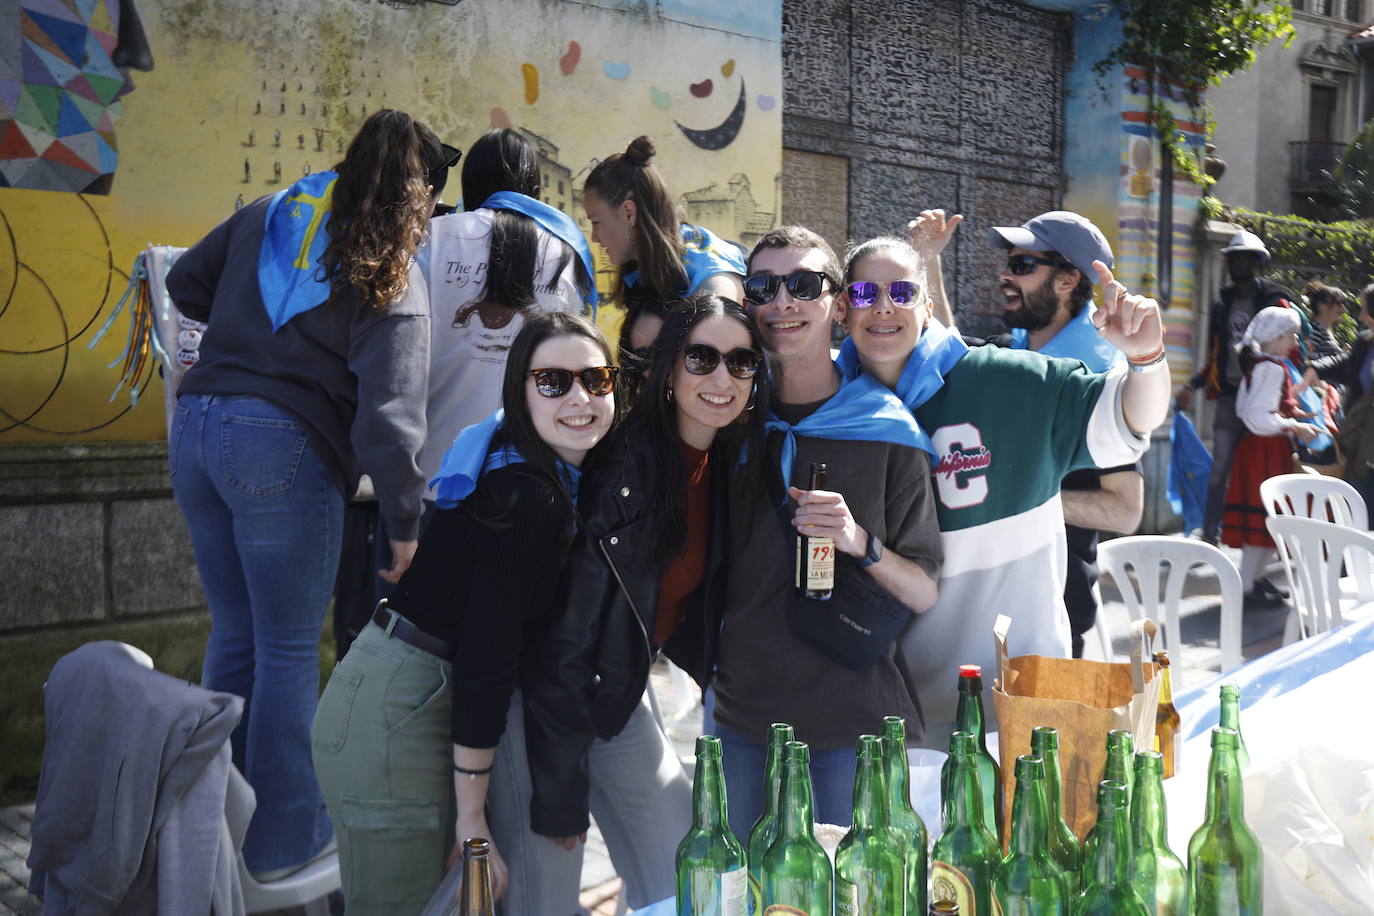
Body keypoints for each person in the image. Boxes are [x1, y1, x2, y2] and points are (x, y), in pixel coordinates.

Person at [165, 109, 450, 879]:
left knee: (235, 638)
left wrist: (244, 333)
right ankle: (284, 844)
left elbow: (185, 280)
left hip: (194, 426)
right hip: (279, 445)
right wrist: (403, 522)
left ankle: (208, 834)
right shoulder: (391, 262)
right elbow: (391, 423)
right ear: (417, 192)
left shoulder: (271, 209)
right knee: (289, 650)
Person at [311, 312, 617, 914]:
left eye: (597, 379)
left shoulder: (531, 465)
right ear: (519, 392)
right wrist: (473, 821)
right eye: (553, 381)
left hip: (403, 684)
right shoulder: (528, 495)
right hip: (400, 704)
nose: (580, 397)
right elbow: (488, 657)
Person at [837, 226, 1168, 742]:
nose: (883, 307)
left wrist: (1146, 357)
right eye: (863, 293)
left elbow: (1131, 422)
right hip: (884, 716)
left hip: (1019, 710)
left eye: (902, 292)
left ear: (927, 308)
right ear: (843, 309)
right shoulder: (828, 412)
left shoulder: (1015, 380)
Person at [522, 293, 771, 907]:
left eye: (741, 363)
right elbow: (565, 643)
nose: (722, 378)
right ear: (667, 366)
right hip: (545, 705)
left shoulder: (717, 460)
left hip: (615, 690)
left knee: (683, 880)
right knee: (545, 896)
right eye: (702, 358)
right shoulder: (628, 470)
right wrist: (561, 793)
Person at [715, 226, 943, 842]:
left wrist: (859, 541)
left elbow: (923, 589)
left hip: (855, 728)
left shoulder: (886, 430)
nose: (783, 302)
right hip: (742, 720)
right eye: (764, 287)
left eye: (804, 285)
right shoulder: (729, 418)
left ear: (838, 305)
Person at [983, 211, 1145, 658]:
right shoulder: (1012, 349)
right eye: (1009, 265)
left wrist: (1014, 499)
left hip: (1047, 622)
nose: (1005, 277)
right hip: (986, 606)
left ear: (1067, 281)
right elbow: (941, 354)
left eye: (1022, 266)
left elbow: (1125, 511)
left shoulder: (1095, 379)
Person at [582, 135, 746, 393]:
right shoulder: (641, 274)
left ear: (628, 213)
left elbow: (722, 378)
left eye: (596, 221)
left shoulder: (710, 277)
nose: (594, 237)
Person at [1176, 231, 1298, 550]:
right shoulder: (1223, 304)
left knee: (1264, 473)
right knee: (1220, 469)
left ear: (1257, 263)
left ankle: (1263, 539)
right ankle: (1211, 533)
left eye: (1243, 258)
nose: (1236, 264)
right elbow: (1216, 357)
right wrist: (1194, 384)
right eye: (1232, 258)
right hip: (1230, 396)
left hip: (1266, 400)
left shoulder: (1275, 301)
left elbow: (1293, 351)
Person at [1221, 307, 1323, 594]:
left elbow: (1248, 409)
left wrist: (1293, 416)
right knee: (1264, 520)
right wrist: (1294, 426)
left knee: (1266, 520)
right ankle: (1245, 588)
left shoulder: (1260, 363)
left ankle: (1253, 581)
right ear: (1276, 337)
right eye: (1290, 335)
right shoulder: (1273, 368)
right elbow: (1256, 417)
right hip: (1264, 451)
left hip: (1259, 449)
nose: (1294, 340)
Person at [1307, 282, 1374, 518]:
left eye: (1366, 309)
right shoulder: (1365, 343)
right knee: (1355, 510)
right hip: (1358, 441)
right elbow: (1343, 363)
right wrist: (1314, 370)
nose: (1361, 316)